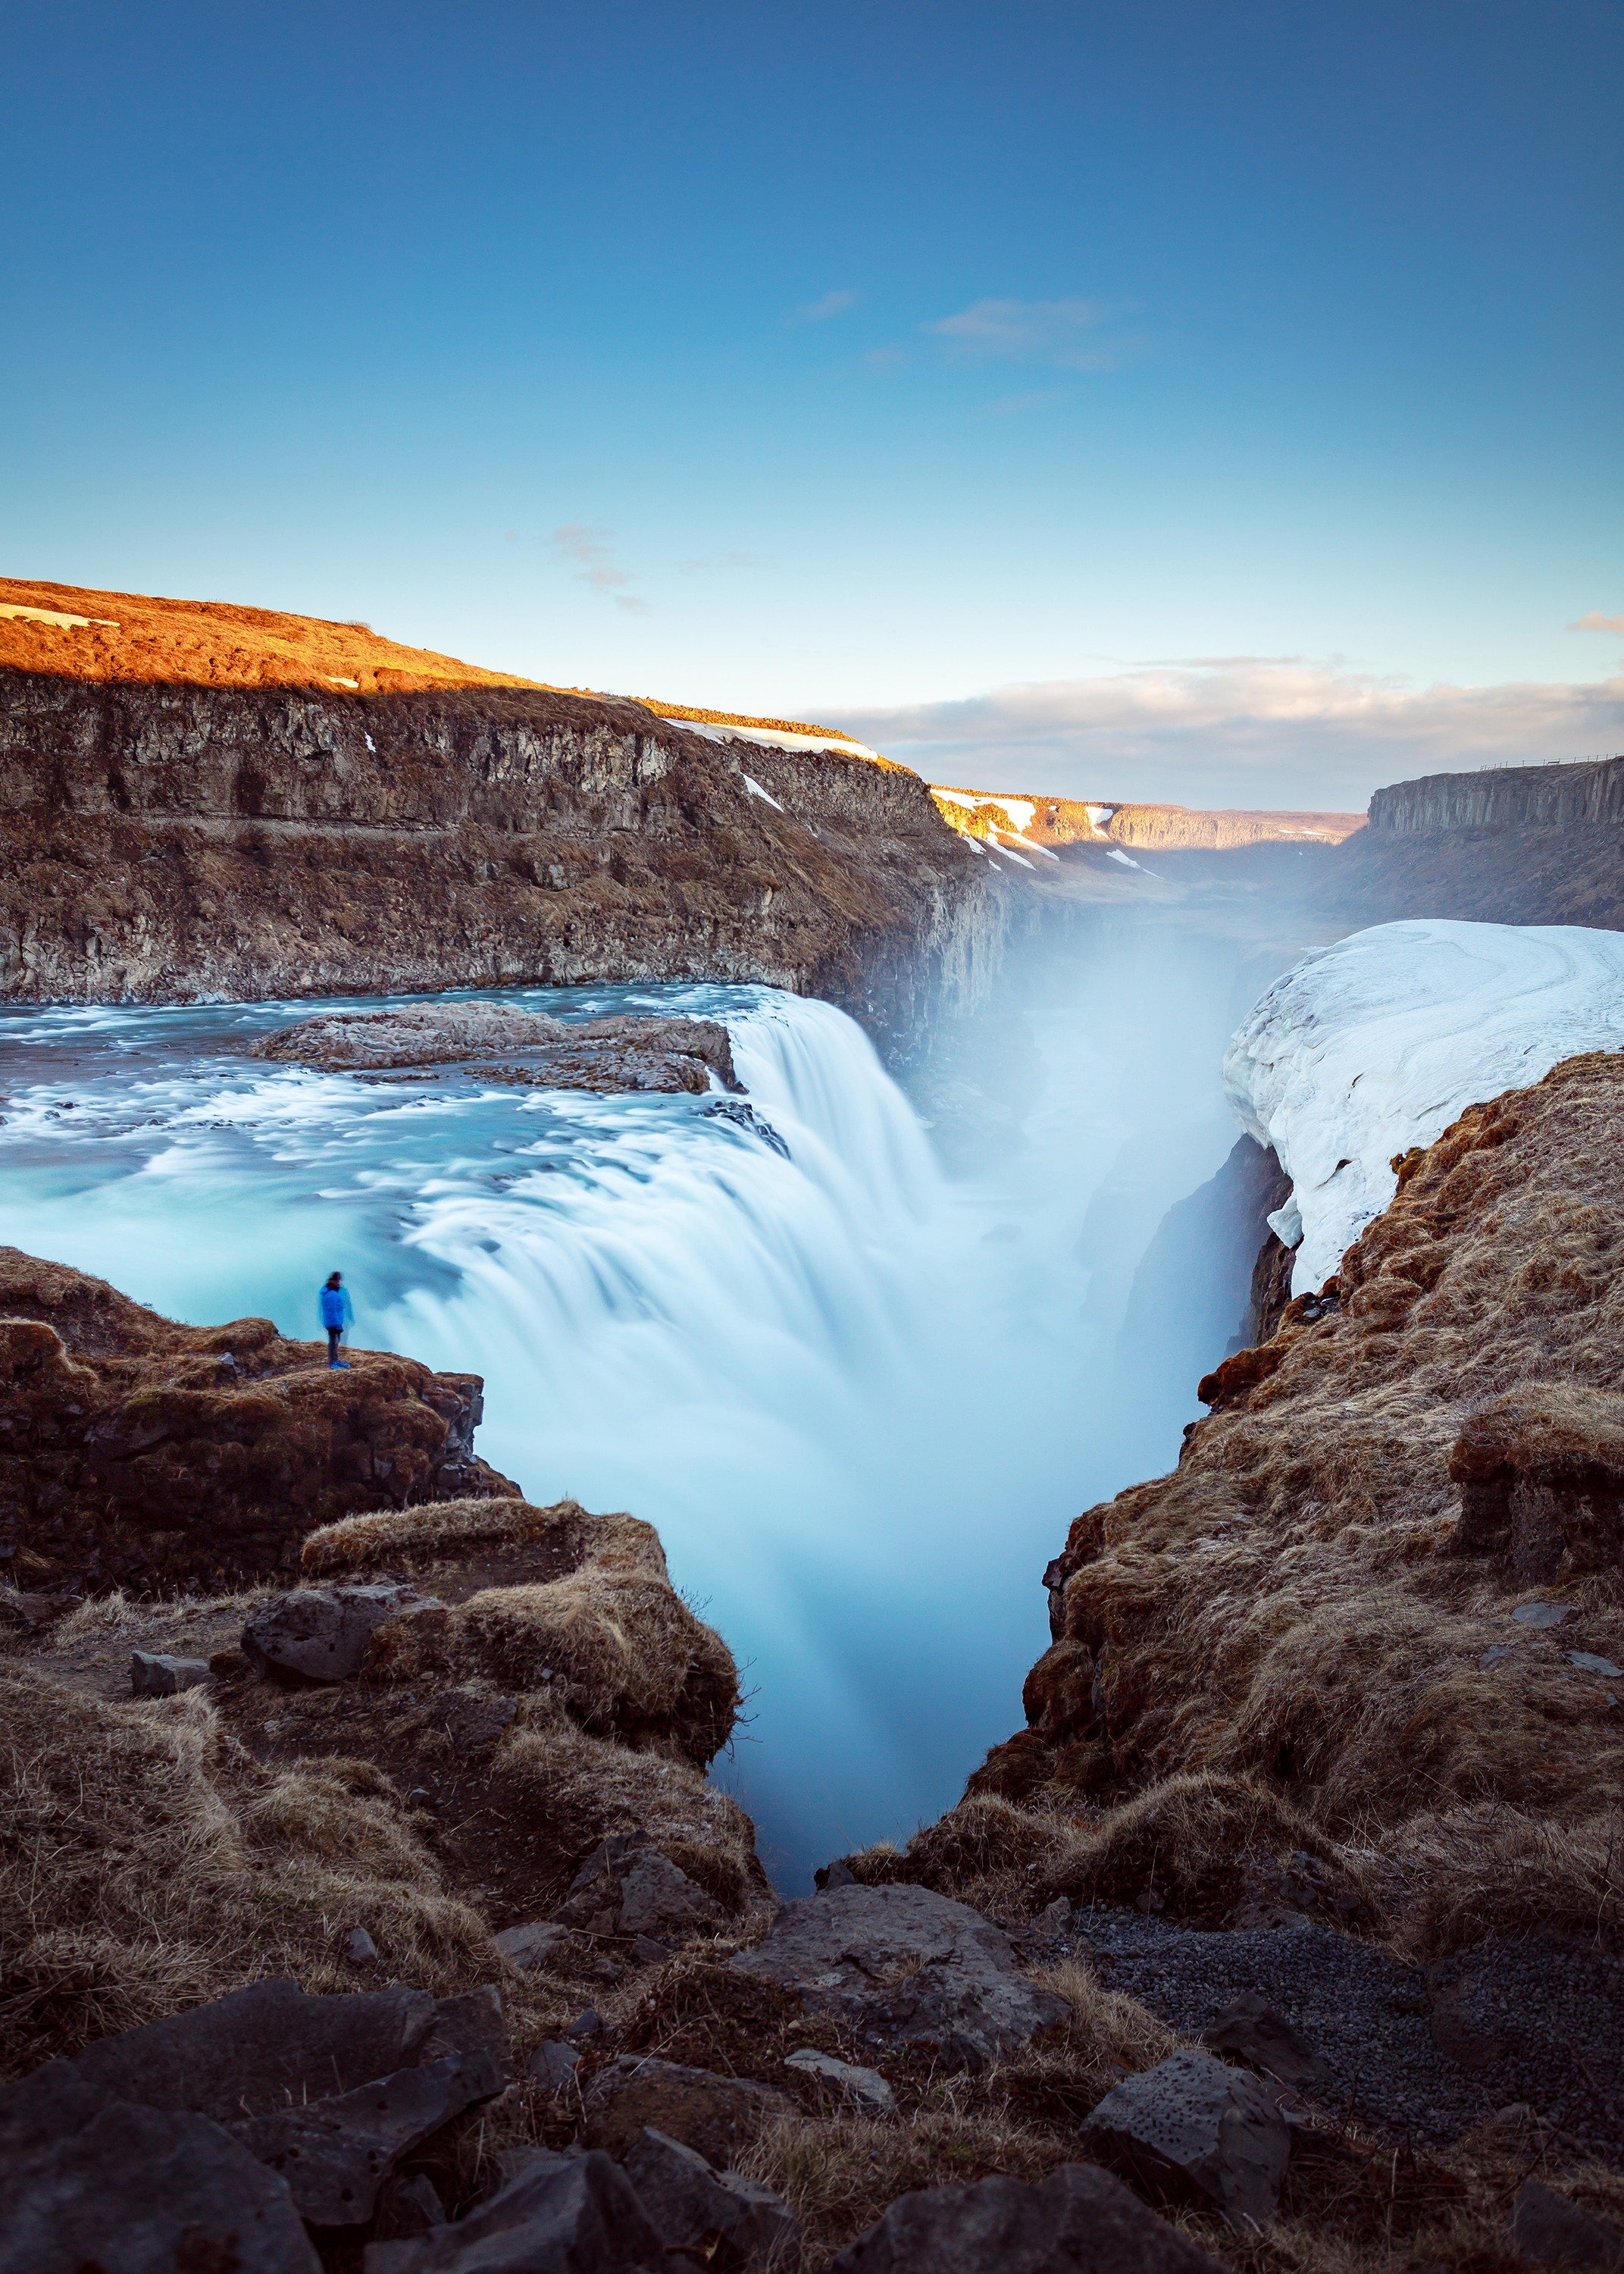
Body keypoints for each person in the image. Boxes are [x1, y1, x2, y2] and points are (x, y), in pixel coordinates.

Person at [319, 1271, 354, 1368]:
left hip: (333, 1322)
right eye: (338, 1280)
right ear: (333, 1281)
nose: (340, 1283)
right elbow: (333, 1311)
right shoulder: (332, 1294)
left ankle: (335, 1360)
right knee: (333, 1342)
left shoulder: (331, 1292)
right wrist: (337, 1324)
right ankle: (332, 1363)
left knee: (335, 1341)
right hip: (333, 1323)